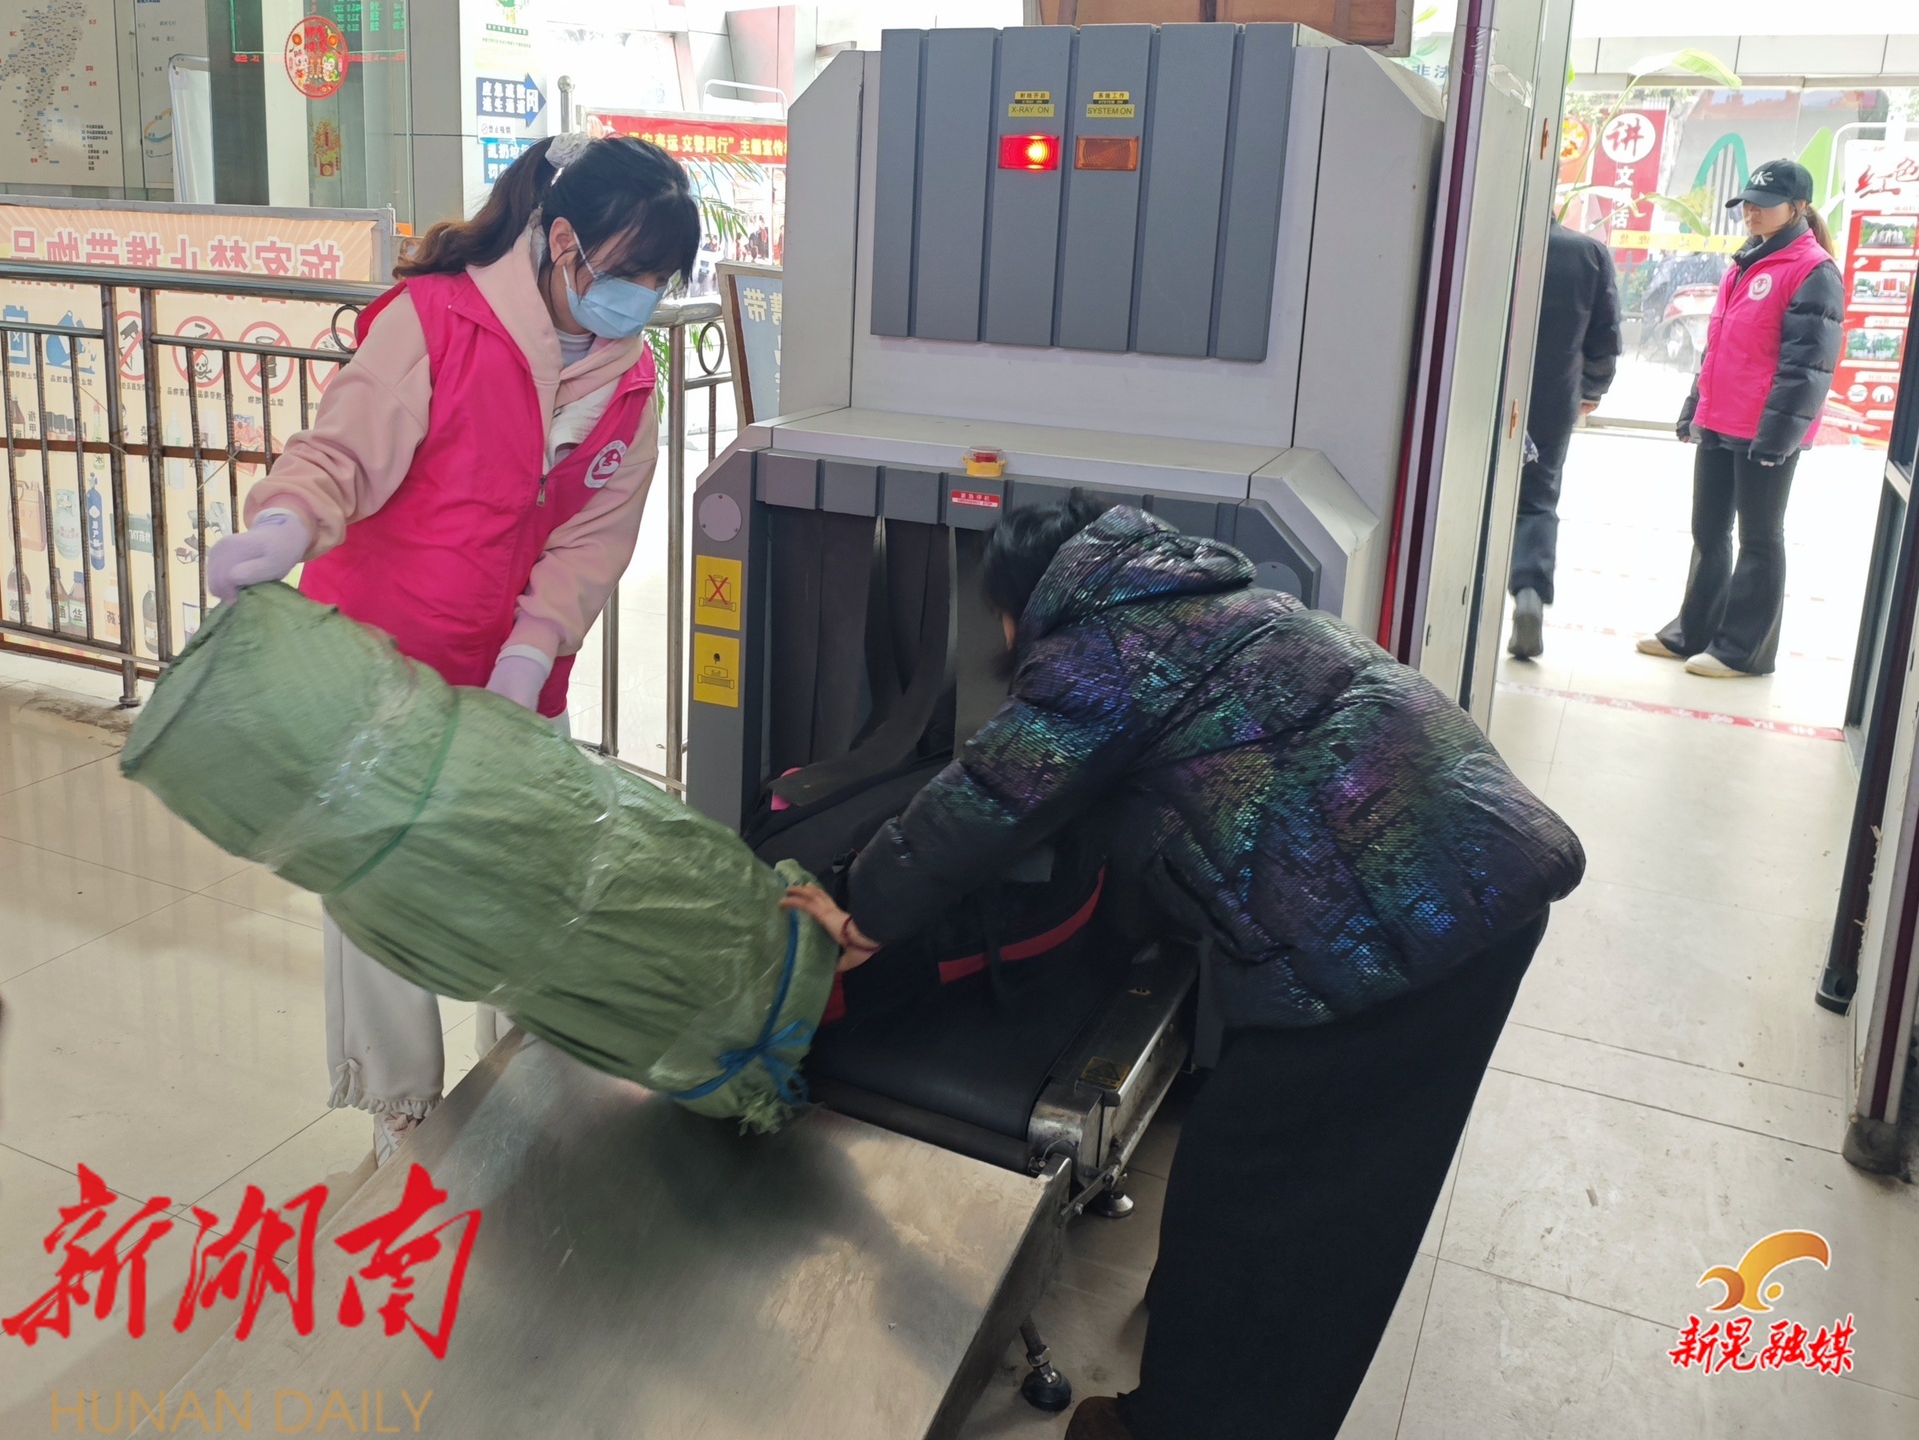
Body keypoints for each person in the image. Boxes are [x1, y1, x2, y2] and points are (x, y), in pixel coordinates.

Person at [783, 501, 1586, 1440]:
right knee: (1353, 1195)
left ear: (1018, 602)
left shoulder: (1097, 644)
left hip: (1386, 937)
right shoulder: (1217, 601)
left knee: (1256, 1202)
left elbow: (989, 794)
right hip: (1482, 880)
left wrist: (862, 908)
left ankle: (1179, 1424)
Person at [204, 133, 699, 1165]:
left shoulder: (631, 386)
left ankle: (523, 1076)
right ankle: (401, 1108)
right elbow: (342, 452)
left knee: (521, 879)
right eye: (630, 272)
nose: (641, 300)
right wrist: (289, 521)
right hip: (381, 662)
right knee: (380, 889)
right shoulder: (435, 321)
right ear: (562, 242)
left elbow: (593, 541)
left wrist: (531, 652)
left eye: (658, 282)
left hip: (516, 675)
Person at [1637, 159, 1842, 678]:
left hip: (1767, 429)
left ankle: (1743, 651)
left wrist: (1780, 436)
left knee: (1759, 538)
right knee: (1708, 530)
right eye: (1747, 203)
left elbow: (1808, 367)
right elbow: (1719, 347)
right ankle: (1694, 632)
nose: (1751, 212)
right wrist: (1694, 407)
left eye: (1764, 204)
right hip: (1721, 420)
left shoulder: (1812, 270)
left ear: (1798, 208)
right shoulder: (1743, 263)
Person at [1509, 218, 1621, 659]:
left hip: (1481, 386)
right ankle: (1529, 595)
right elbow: (1605, 334)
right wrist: (1592, 389)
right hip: (1552, 394)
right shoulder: (1586, 252)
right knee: (1537, 498)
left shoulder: (1489, 236)